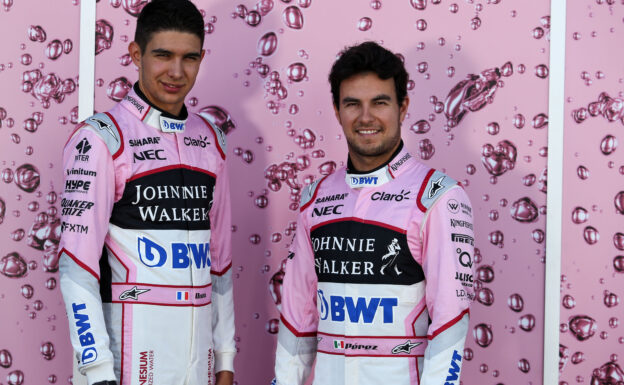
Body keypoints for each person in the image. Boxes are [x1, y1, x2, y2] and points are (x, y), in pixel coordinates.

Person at [273, 41, 475, 385]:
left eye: (379, 103)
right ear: (337, 110)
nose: (366, 117)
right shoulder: (314, 198)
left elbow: (450, 322)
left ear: (403, 106)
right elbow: (296, 318)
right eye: (353, 104)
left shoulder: (439, 197)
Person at [58, 1, 235, 384]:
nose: (176, 71)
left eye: (189, 58)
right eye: (162, 55)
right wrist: (98, 371)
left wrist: (225, 358)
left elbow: (219, 263)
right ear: (136, 54)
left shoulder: (211, 140)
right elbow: (77, 267)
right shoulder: (102, 137)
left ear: (202, 57)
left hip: (198, 366)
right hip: (126, 366)